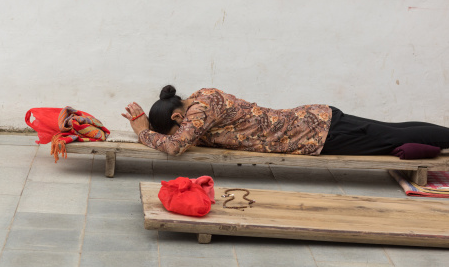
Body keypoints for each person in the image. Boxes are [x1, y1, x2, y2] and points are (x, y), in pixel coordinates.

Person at [122, 85, 449, 158]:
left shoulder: (199, 111)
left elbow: (176, 146)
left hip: (317, 134)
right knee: (393, 132)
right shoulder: (201, 96)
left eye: (176, 125)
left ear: (177, 116)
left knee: (390, 137)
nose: (184, 130)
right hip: (315, 121)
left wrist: (144, 133)